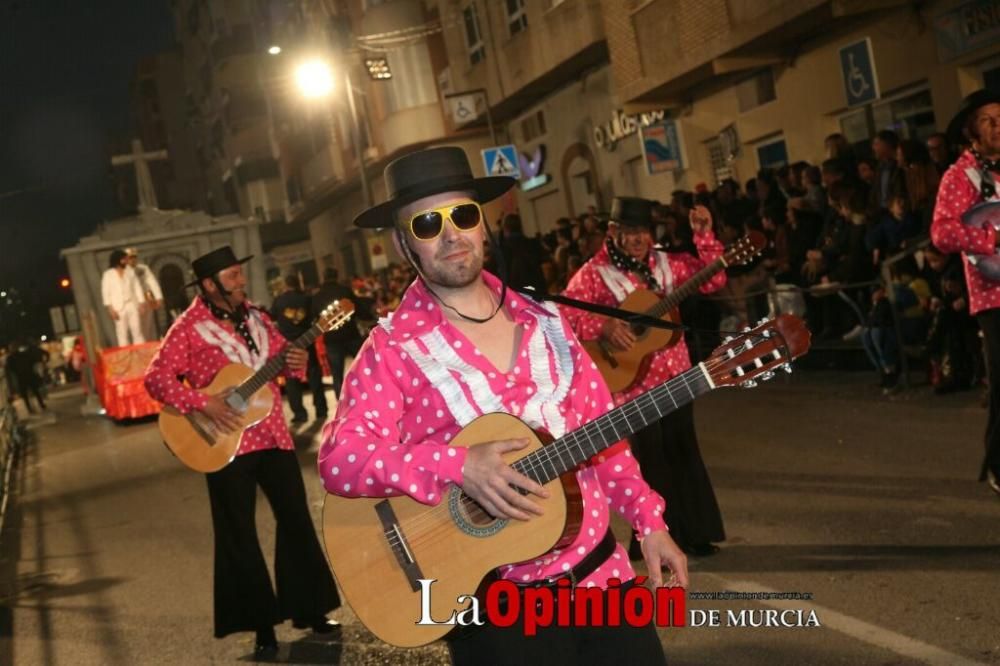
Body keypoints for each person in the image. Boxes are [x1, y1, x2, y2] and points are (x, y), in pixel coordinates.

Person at [319, 147, 687, 665]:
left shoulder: (549, 322)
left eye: (463, 215)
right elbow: (341, 460)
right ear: (405, 245)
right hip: (496, 612)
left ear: (483, 225)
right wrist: (457, 465)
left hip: (604, 584)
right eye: (427, 224)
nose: (451, 235)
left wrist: (650, 523)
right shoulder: (393, 349)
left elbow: (605, 437)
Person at [143, 246, 341, 656]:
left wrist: (296, 360)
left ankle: (311, 609)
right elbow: (156, 379)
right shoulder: (187, 328)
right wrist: (204, 403)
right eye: (231, 276)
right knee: (238, 535)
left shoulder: (260, 317)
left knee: (297, 520)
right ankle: (261, 627)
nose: (240, 281)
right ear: (210, 285)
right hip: (222, 443)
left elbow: (286, 362)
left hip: (273, 436)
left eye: (239, 274)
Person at [561, 196, 727, 558]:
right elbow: (564, 313)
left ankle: (697, 533)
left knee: (684, 449)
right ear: (613, 232)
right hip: (632, 381)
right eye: (630, 232)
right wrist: (601, 325)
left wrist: (704, 236)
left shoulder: (667, 263)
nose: (638, 239)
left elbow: (715, 280)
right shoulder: (594, 272)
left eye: (643, 232)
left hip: (677, 374)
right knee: (651, 458)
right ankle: (655, 537)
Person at [930, 88, 1000, 498]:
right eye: (988, 120)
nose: (997, 127)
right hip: (993, 292)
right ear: (973, 132)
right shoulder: (961, 176)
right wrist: (988, 238)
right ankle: (998, 462)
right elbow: (941, 232)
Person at [270, 274, 328, 424]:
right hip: (306, 341)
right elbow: (315, 317)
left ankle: (300, 414)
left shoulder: (279, 301)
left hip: (287, 344)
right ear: (298, 284)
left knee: (291, 380)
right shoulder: (307, 299)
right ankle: (321, 410)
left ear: (285, 285)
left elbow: (273, 319)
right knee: (314, 376)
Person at [311, 267, 363, 399]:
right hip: (351, 334)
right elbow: (357, 308)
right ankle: (367, 395)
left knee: (337, 373)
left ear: (323, 277)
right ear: (337, 276)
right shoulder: (345, 291)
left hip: (332, 338)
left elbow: (315, 317)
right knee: (363, 367)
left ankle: (341, 403)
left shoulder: (318, 296)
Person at [101, 248, 146, 347]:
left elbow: (136, 287)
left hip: (132, 304)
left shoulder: (130, 271)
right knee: (122, 334)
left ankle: (141, 353)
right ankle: (126, 358)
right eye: (124, 259)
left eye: (126, 259)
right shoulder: (108, 274)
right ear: (117, 260)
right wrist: (110, 309)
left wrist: (141, 303)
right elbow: (105, 293)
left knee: (137, 330)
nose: (126, 261)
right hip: (118, 308)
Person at [125, 247, 164, 341]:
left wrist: (159, 297)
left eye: (134, 257)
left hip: (146, 298)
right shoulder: (124, 271)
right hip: (132, 301)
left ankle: (151, 344)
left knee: (149, 325)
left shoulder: (143, 268)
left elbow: (152, 281)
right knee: (136, 327)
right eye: (130, 257)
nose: (132, 259)